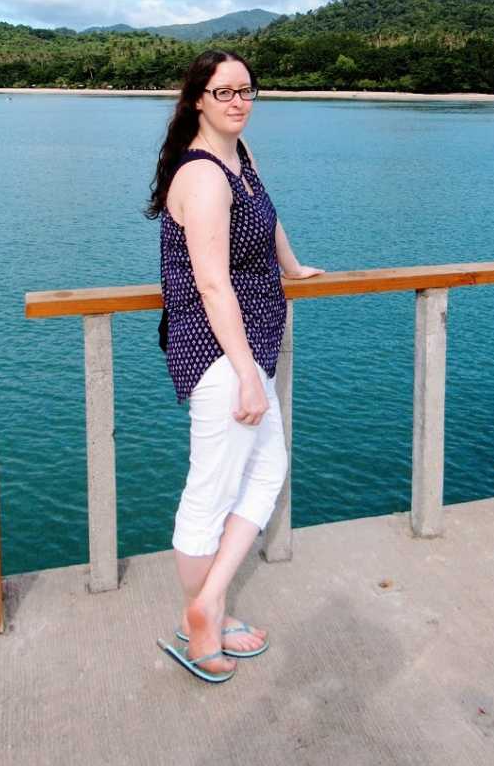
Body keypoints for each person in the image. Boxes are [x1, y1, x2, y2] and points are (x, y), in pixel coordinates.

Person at [147, 49, 322, 683]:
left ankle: (206, 605)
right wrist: (247, 372)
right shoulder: (202, 177)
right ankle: (204, 620)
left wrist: (293, 267)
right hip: (222, 351)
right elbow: (213, 285)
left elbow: (266, 220)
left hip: (248, 344)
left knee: (267, 466)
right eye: (224, 93)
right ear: (198, 98)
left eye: (247, 90)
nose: (239, 102)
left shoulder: (239, 158)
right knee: (211, 491)